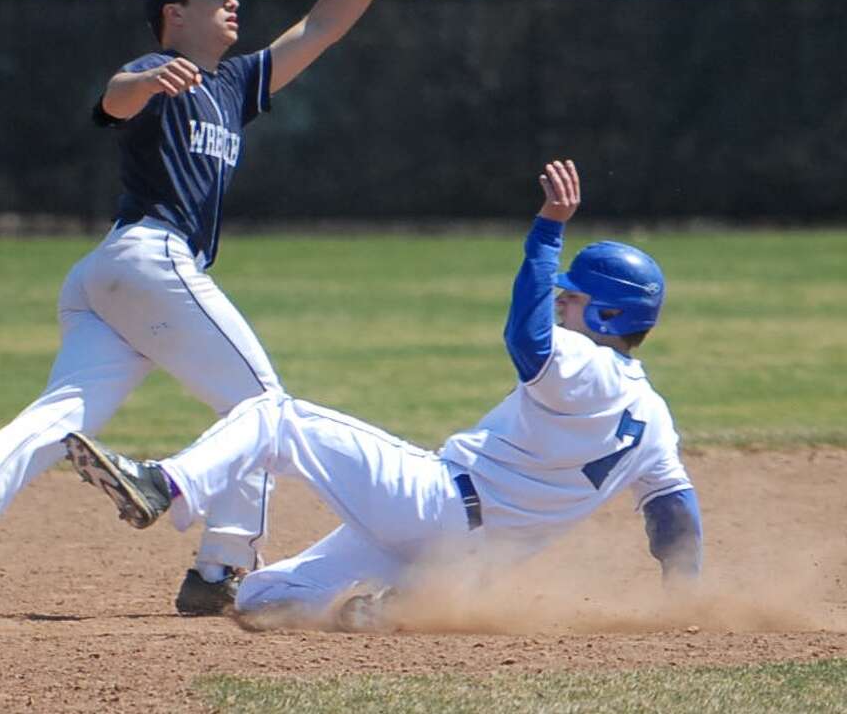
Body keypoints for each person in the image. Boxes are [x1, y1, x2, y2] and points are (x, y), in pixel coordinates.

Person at [0, 0, 437, 614]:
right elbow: (112, 99)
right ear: (174, 13)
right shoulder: (155, 74)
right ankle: (220, 570)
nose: (232, 3)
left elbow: (320, 28)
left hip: (111, 280)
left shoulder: (233, 84)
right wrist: (149, 79)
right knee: (262, 407)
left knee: (64, 413)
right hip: (149, 259)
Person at [61, 159, 703, 629]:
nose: (561, 303)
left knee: (272, 416)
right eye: (561, 293)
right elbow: (675, 515)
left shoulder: (586, 363)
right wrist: (685, 599)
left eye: (574, 298)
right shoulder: (654, 420)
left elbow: (526, 339)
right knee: (258, 601)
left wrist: (547, 232)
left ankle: (164, 485)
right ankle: (383, 607)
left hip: (436, 504)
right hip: (464, 557)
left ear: (610, 318)